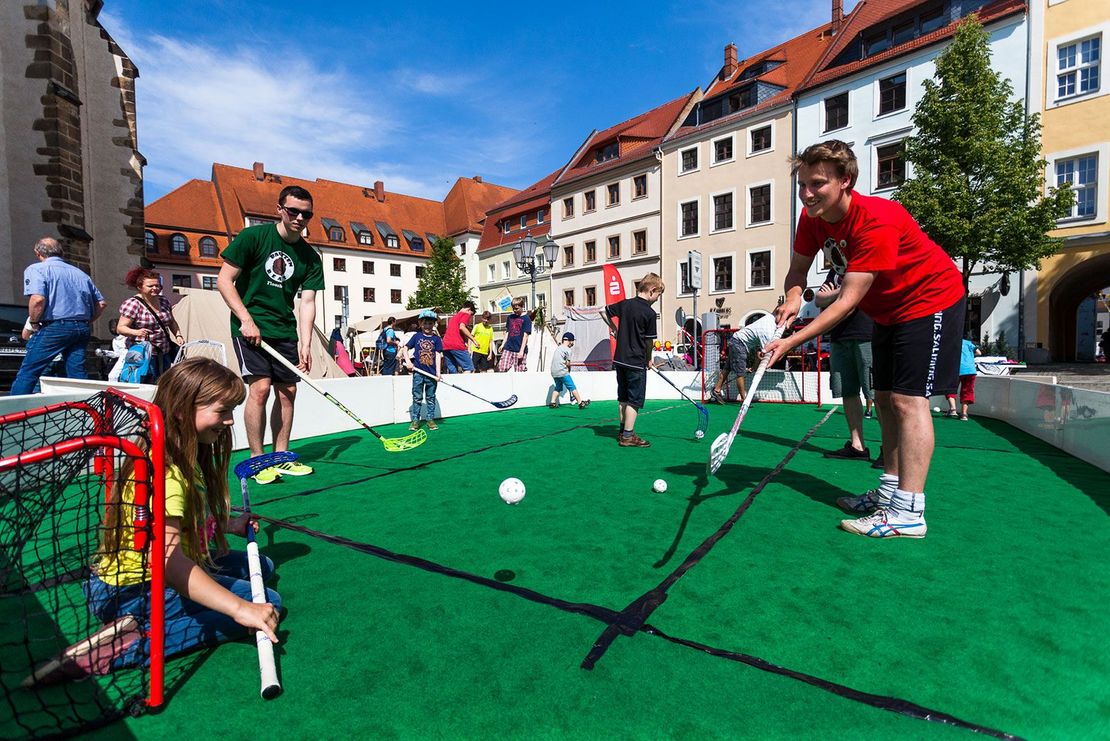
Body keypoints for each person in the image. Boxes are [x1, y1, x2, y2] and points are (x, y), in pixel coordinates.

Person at [762, 140, 965, 539]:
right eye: (802, 183)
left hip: (931, 300)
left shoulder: (877, 219)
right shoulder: (813, 218)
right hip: (887, 311)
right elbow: (798, 270)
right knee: (886, 399)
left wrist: (791, 342)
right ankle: (890, 491)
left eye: (817, 183)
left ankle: (909, 512)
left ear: (845, 181)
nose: (807, 193)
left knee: (909, 401)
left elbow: (846, 302)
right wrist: (790, 299)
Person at [33, 359, 282, 681]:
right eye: (223, 411)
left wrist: (226, 527)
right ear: (182, 410)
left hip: (119, 584)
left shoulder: (173, 452)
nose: (230, 421)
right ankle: (131, 642)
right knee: (267, 601)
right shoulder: (169, 474)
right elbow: (167, 561)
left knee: (262, 566)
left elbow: (179, 526)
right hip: (135, 590)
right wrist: (240, 609)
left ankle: (145, 617)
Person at [217, 185, 323, 485]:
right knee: (260, 389)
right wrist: (246, 319)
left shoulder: (310, 257)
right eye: (293, 211)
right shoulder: (254, 237)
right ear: (280, 209)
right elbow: (224, 280)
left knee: (288, 392)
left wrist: (305, 342)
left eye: (306, 214)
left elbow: (308, 302)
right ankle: (257, 459)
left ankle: (281, 456)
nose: (300, 218)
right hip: (251, 326)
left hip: (284, 329)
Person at [10, 238, 107, 395]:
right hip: (81, 327)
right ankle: (86, 411)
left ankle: (14, 412)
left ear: (37, 253)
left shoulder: (37, 269)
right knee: (77, 373)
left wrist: (34, 322)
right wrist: (86, 321)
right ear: (61, 252)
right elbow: (101, 304)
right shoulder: (80, 273)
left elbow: (38, 299)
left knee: (29, 371)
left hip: (56, 326)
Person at [815, 269, 876, 460]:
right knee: (848, 392)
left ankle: (889, 450)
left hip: (868, 335)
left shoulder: (866, 262)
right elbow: (818, 300)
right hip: (839, 337)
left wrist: (835, 293)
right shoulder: (835, 270)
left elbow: (860, 293)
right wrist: (844, 290)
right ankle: (857, 446)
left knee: (876, 392)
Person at [602, 273, 665, 447]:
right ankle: (628, 436)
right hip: (636, 361)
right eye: (658, 295)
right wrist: (649, 359)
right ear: (652, 290)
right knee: (634, 399)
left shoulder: (625, 304)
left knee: (623, 396)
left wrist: (615, 329)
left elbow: (603, 311)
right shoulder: (649, 313)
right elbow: (648, 341)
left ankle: (622, 431)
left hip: (620, 360)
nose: (657, 299)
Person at [117, 268, 185, 383]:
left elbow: (171, 321)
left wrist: (178, 335)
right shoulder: (132, 304)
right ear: (140, 287)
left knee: (164, 383)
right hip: (143, 354)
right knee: (147, 383)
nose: (155, 288)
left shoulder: (164, 301)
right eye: (150, 286)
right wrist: (136, 332)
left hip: (164, 351)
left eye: (157, 285)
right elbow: (120, 328)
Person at [709, 314, 777, 404]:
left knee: (727, 368)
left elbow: (758, 352)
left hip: (735, 339)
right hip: (739, 344)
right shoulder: (769, 333)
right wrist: (754, 367)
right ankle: (744, 400)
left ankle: (716, 390)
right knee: (740, 373)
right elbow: (761, 354)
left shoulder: (771, 317)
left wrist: (753, 368)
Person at [402, 310, 443, 431]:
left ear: (434, 324)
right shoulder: (416, 336)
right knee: (417, 397)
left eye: (430, 323)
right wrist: (408, 361)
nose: (427, 326)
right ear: (420, 324)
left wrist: (438, 373)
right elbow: (405, 348)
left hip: (431, 374)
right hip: (418, 373)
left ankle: (430, 419)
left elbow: (438, 356)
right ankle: (415, 420)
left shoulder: (436, 339)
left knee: (430, 397)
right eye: (425, 323)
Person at [549, 332, 590, 410]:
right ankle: (580, 402)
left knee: (558, 387)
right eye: (572, 341)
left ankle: (553, 402)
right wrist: (569, 370)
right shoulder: (568, 350)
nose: (572, 343)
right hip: (562, 371)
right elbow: (568, 364)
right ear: (570, 341)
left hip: (554, 372)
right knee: (572, 387)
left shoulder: (558, 348)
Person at [946, 337, 981, 420]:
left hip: (955, 369)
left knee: (950, 388)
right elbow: (979, 353)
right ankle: (964, 414)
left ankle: (953, 410)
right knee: (967, 391)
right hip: (970, 370)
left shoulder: (949, 342)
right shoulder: (968, 343)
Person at [497, 298, 532, 372]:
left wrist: (521, 351)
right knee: (502, 367)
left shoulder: (526, 319)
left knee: (519, 371)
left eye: (517, 308)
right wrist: (503, 344)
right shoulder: (510, 317)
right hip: (508, 348)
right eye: (513, 309)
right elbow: (508, 332)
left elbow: (525, 336)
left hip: (519, 349)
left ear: (522, 306)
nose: (515, 310)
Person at [442, 301, 476, 373]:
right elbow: (462, 327)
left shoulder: (453, 317)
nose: (470, 317)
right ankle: (465, 384)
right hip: (456, 344)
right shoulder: (465, 314)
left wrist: (465, 341)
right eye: (471, 314)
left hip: (445, 345)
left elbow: (456, 331)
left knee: (452, 370)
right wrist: (474, 340)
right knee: (469, 368)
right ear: (469, 310)